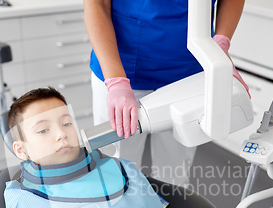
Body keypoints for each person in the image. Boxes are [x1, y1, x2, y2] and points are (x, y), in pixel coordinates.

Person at [84, 0, 249, 187]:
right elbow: (96, 4)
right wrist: (116, 80)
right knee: (117, 172)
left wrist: (219, 49)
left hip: (188, 71)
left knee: (175, 173)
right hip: (120, 66)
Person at [4, 87, 178, 208]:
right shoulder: (22, 201)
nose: (61, 134)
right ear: (21, 150)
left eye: (66, 123)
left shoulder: (123, 169)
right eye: (43, 130)